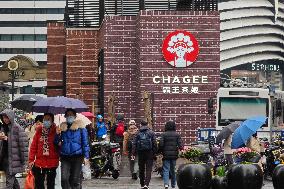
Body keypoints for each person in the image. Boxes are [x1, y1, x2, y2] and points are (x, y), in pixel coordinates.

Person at [54, 109, 90, 189]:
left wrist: (86, 156)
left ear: (75, 116)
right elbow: (56, 142)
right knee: (64, 178)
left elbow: (85, 143)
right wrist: (57, 135)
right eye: (68, 115)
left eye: (71, 115)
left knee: (75, 180)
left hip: (78, 157)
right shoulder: (62, 128)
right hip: (65, 157)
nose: (70, 117)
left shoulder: (81, 128)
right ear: (65, 117)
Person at [29, 113, 59, 189]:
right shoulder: (39, 131)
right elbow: (33, 146)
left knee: (50, 184)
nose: (46, 121)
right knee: (39, 184)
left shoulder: (56, 131)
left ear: (52, 121)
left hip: (52, 162)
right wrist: (31, 160)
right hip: (40, 162)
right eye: (45, 119)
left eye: (48, 119)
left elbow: (60, 147)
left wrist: (59, 136)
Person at [0, 109, 28, 189]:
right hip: (4, 159)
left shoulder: (17, 128)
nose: (5, 119)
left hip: (13, 160)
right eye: (3, 117)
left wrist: (24, 161)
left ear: (11, 117)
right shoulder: (3, 128)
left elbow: (23, 146)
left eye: (7, 117)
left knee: (9, 182)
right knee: (12, 179)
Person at [132, 120, 157, 189]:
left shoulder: (137, 133)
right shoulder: (151, 132)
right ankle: (146, 184)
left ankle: (142, 184)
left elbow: (134, 143)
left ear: (140, 125)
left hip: (140, 153)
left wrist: (133, 153)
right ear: (147, 124)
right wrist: (155, 152)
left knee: (141, 169)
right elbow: (154, 143)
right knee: (149, 169)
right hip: (149, 152)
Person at [159, 121, 183, 189]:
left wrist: (160, 151)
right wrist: (182, 149)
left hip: (166, 155)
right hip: (174, 155)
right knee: (173, 170)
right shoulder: (177, 135)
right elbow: (180, 145)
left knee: (166, 169)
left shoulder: (163, 134)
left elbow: (161, 144)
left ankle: (166, 184)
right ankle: (173, 185)